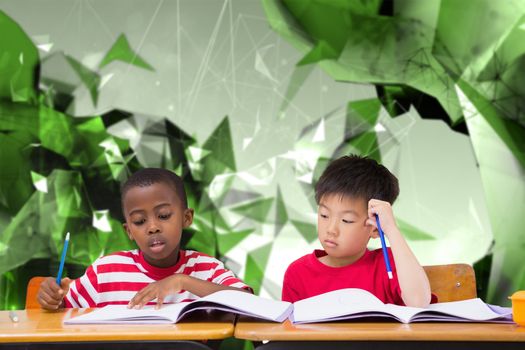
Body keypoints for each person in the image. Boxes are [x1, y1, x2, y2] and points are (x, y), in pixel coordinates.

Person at [38, 168, 251, 310]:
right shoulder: (106, 271)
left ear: (186, 218)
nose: (152, 227)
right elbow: (61, 309)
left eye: (164, 216)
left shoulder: (206, 269)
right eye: (139, 221)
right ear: (129, 230)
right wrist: (51, 298)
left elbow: (248, 303)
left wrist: (181, 281)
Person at [282, 155, 433, 307]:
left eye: (346, 220)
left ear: (374, 228)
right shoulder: (298, 273)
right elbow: (288, 328)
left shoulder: (388, 264)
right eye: (324, 215)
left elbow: (418, 302)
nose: (331, 229)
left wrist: (391, 230)